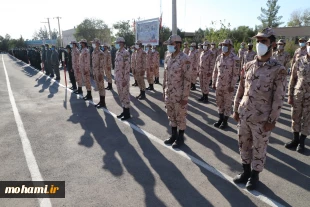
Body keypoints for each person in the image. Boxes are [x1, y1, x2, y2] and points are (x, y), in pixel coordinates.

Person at [233, 28, 287, 190]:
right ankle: (245, 171)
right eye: (258, 41)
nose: (259, 44)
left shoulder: (278, 69)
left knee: (259, 147)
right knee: (243, 144)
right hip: (244, 114)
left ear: (272, 44)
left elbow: (279, 97)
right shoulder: (248, 65)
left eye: (264, 41)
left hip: (262, 118)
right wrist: (236, 109)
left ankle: (255, 176)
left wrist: (273, 120)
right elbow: (241, 88)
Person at [163, 35, 192, 148]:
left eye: (171, 44)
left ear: (178, 44)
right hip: (169, 93)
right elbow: (165, 75)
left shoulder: (185, 59)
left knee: (180, 116)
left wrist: (185, 97)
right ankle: (173, 135)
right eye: (169, 44)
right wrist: (164, 91)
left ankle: (180, 138)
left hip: (179, 95)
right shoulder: (168, 57)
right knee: (171, 115)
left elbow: (187, 79)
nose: (169, 46)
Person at [286, 38, 310, 153]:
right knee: (295, 117)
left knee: (307, 119)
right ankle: (295, 139)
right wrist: (290, 95)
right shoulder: (299, 61)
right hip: (298, 94)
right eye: (309, 44)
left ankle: (302, 142)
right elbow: (292, 79)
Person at [212, 39, 240, 129]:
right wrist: (213, 82)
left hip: (228, 86)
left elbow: (236, 74)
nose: (223, 46)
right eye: (223, 45)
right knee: (219, 103)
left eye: (226, 45)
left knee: (227, 104)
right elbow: (215, 71)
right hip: (219, 85)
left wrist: (232, 85)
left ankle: (225, 122)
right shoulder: (219, 57)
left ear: (230, 47)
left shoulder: (235, 59)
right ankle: (220, 119)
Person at [114, 37, 131, 120]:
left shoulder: (126, 53)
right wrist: (115, 78)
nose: (116, 44)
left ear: (121, 43)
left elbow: (127, 68)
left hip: (124, 79)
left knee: (125, 95)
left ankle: (127, 113)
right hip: (118, 78)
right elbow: (116, 66)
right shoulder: (117, 52)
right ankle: (124, 111)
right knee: (121, 95)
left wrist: (125, 79)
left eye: (117, 43)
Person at [91, 38, 106, 108]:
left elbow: (102, 65)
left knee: (101, 87)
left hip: (99, 73)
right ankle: (101, 101)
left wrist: (100, 74)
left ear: (97, 44)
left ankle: (103, 102)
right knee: (99, 88)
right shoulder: (93, 52)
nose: (92, 44)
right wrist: (94, 74)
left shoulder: (101, 53)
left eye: (94, 43)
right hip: (95, 72)